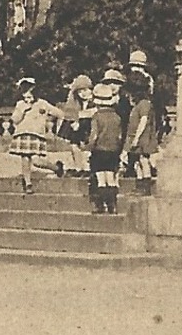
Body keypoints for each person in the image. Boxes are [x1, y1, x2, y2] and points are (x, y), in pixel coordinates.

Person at [8, 77, 64, 193]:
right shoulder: (20, 105)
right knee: (25, 158)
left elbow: (59, 113)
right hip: (23, 134)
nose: (27, 99)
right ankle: (28, 183)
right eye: (25, 96)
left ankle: (56, 168)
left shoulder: (42, 103)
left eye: (30, 95)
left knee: (37, 160)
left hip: (37, 135)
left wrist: (54, 124)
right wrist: (22, 110)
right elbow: (15, 120)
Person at [87, 68, 127, 214]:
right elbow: (120, 136)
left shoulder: (97, 117)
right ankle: (113, 205)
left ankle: (101, 205)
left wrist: (88, 148)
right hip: (113, 151)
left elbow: (94, 136)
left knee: (101, 178)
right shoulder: (117, 117)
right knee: (111, 178)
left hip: (99, 151)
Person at [123, 50, 160, 195]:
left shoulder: (144, 104)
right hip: (136, 137)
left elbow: (143, 121)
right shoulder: (137, 105)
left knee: (144, 160)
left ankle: (146, 183)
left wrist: (137, 138)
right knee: (138, 160)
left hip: (142, 138)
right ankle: (139, 184)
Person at [60, 74, 95, 177]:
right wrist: (74, 121)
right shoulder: (75, 104)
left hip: (91, 126)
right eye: (80, 92)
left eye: (86, 90)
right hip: (79, 127)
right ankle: (79, 167)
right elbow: (70, 115)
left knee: (87, 147)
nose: (83, 94)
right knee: (74, 145)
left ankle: (88, 168)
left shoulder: (95, 101)